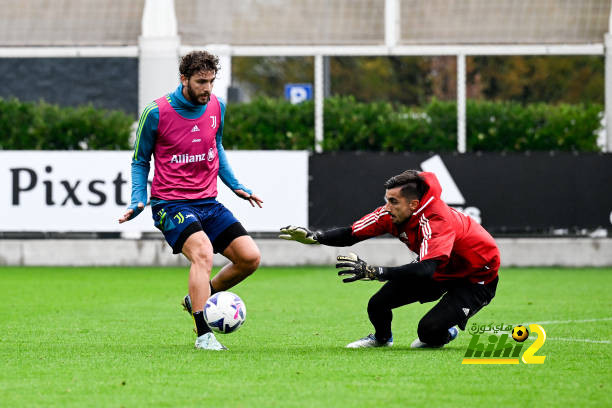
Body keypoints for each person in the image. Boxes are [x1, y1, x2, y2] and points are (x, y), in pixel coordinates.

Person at [119, 50, 263, 350]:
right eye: (200, 81)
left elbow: (216, 147)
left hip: (208, 203)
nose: (207, 88)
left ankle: (197, 297)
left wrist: (235, 185)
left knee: (250, 258)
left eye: (211, 81)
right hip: (170, 204)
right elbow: (139, 161)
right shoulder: (156, 112)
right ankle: (203, 334)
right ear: (183, 79)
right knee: (203, 252)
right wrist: (138, 199)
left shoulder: (217, 107)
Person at [280, 170, 499, 348]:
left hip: (476, 276)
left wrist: (376, 272)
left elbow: (426, 270)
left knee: (428, 333)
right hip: (440, 267)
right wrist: (315, 237)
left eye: (393, 201)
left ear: (413, 205)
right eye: (386, 200)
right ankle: (382, 339)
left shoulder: (436, 220)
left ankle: (447, 327)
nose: (387, 207)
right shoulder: (390, 215)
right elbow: (351, 234)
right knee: (378, 304)